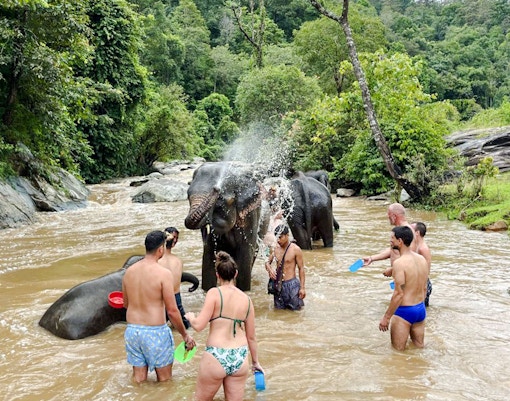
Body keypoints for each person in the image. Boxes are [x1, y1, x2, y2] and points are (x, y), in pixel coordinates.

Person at [184, 251, 263, 401]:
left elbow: (199, 325)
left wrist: (191, 317)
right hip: (240, 357)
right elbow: (251, 337)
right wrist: (255, 362)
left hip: (216, 355)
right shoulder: (247, 300)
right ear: (236, 274)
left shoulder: (214, 293)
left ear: (217, 275)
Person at [122, 230, 195, 383]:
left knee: (139, 380)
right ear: (161, 249)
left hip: (133, 331)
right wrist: (185, 335)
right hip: (155, 333)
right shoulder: (163, 274)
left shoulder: (129, 272)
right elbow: (173, 311)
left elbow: (126, 304)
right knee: (164, 381)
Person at [379, 226, 429, 351]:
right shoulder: (421, 259)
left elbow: (398, 294)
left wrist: (386, 318)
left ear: (400, 241)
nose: (390, 241)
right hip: (420, 309)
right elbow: (424, 286)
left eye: (392, 238)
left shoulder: (399, 263)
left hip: (404, 311)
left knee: (398, 353)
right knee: (419, 349)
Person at [362, 202, 415, 276]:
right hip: (399, 274)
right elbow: (393, 250)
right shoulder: (399, 230)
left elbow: (410, 256)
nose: (387, 217)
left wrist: (392, 269)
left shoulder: (407, 231)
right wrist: (372, 258)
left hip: (406, 276)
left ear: (394, 216)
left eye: (389, 214)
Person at [265, 224, 306, 310]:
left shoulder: (296, 249)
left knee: (296, 312)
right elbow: (267, 262)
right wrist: (270, 270)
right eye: (277, 237)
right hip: (279, 285)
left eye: (280, 237)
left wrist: (302, 288)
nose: (278, 240)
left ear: (287, 235)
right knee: (278, 311)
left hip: (292, 285)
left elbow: (301, 269)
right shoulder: (275, 248)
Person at [159, 226, 190, 328]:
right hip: (176, 302)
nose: (176, 240)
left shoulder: (156, 261)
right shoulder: (178, 261)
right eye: (175, 238)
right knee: (186, 329)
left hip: (161, 300)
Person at [412, 222, 433, 307]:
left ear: (417, 233)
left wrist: (422, 288)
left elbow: (426, 269)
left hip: (422, 284)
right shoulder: (416, 246)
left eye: (411, 229)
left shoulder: (423, 249)